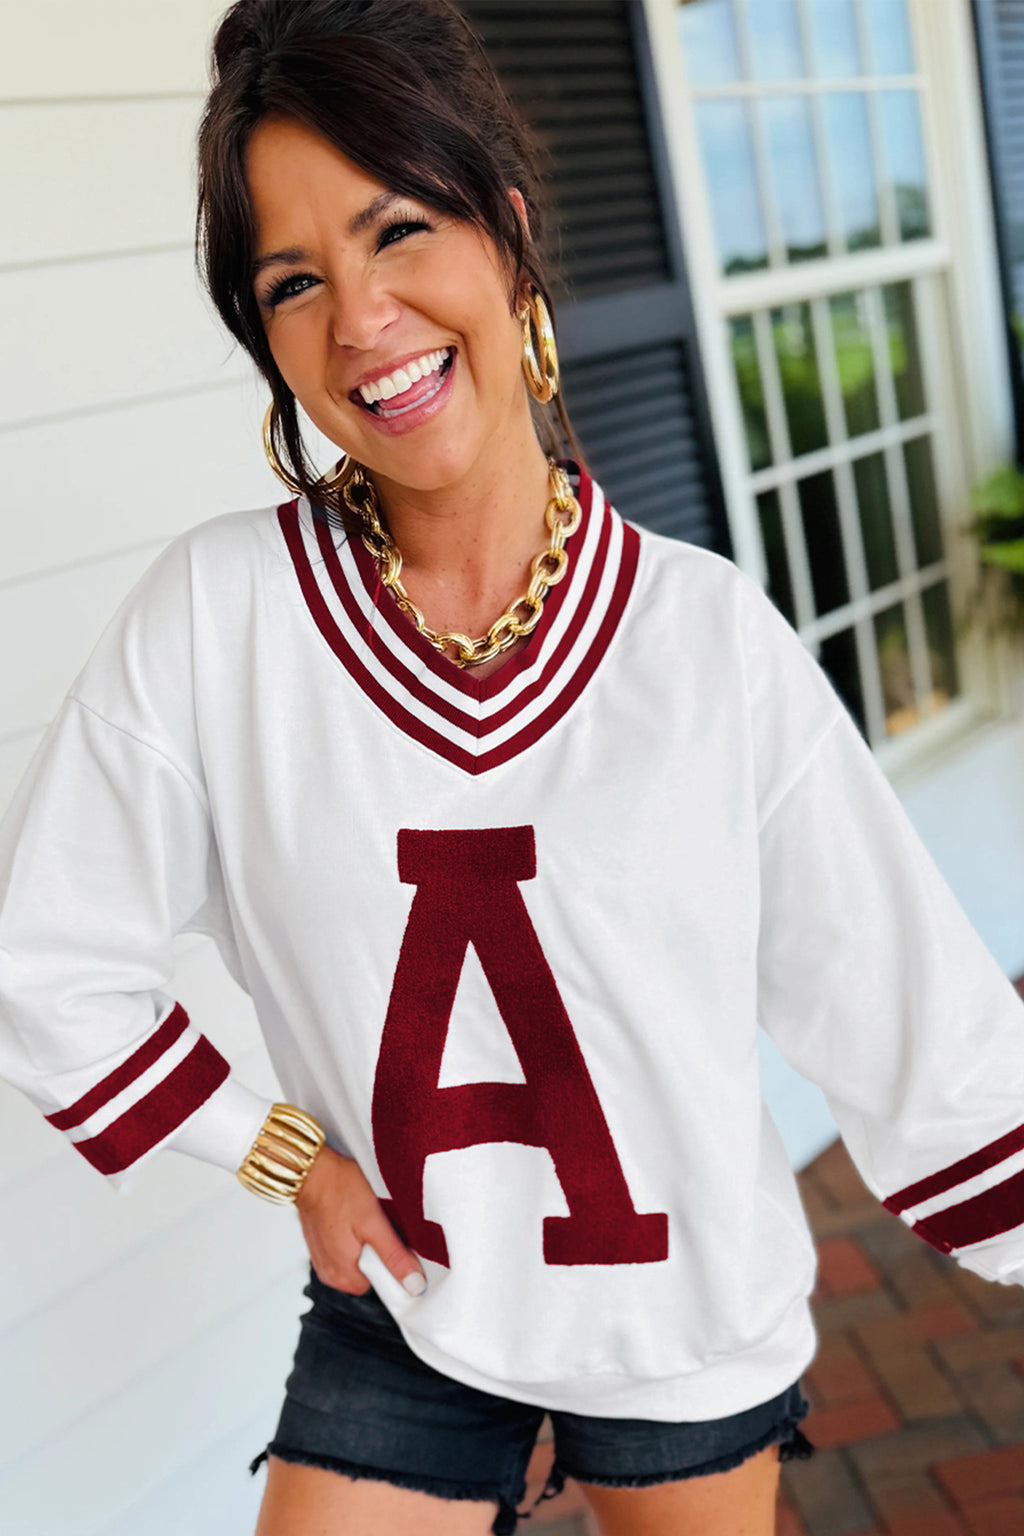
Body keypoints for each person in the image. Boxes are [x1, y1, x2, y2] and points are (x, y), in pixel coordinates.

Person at [3, 0, 1024, 1532]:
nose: (360, 320)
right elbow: (50, 956)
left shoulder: (704, 643)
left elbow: (903, 1009)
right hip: (405, 1306)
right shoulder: (221, 623)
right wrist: (283, 1157)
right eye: (295, 281)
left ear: (510, 231)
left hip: (677, 1320)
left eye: (400, 228)